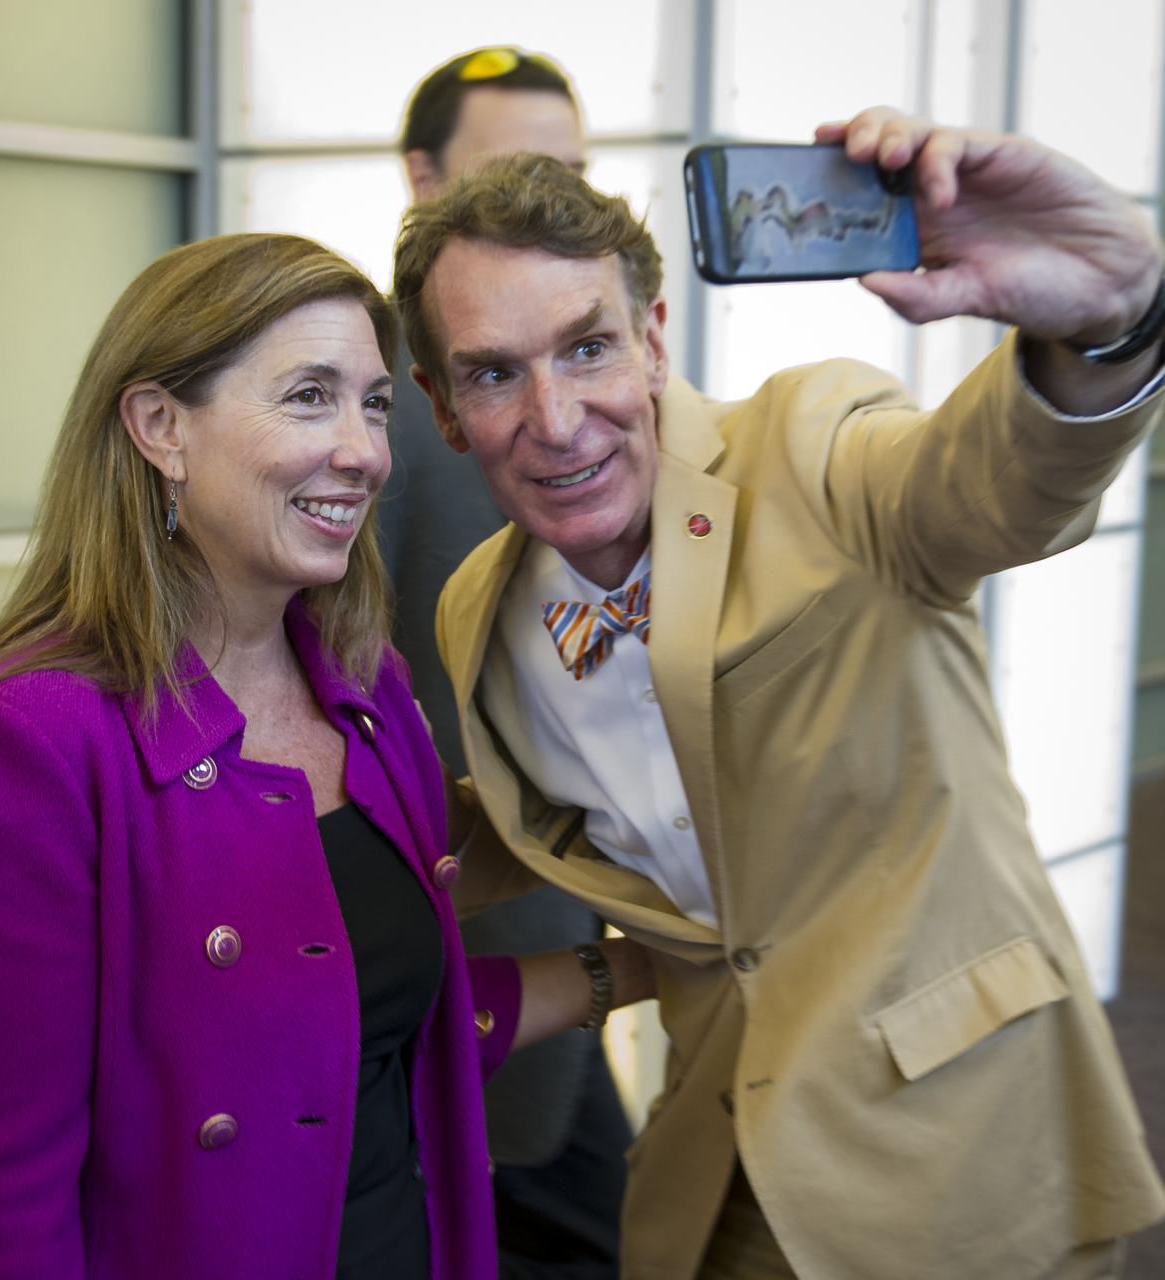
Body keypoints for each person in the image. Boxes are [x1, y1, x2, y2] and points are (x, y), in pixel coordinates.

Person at [392, 107, 1165, 1280]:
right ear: (442, 408)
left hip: (962, 1146)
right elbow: (546, 825)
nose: (554, 420)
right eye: (494, 374)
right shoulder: (475, 610)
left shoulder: (810, 445)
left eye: (586, 347)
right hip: (718, 1152)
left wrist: (1109, 329)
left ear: (653, 340)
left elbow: (986, 488)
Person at [0, 232, 655, 1279]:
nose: (363, 450)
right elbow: (5, 1209)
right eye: (308, 396)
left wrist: (648, 955)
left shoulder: (364, 684)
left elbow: (366, 1027)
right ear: (160, 426)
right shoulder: (22, 746)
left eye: (375, 403)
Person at [382, 47, 632, 1278]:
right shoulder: (358, 398)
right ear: (421, 179)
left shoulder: (604, 384)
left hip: (572, 894)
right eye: (513, 170)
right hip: (431, 908)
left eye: (570, 175)